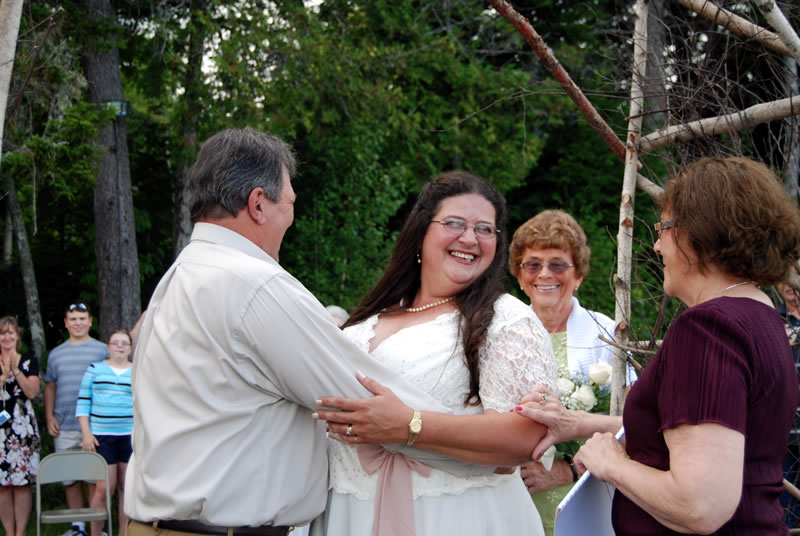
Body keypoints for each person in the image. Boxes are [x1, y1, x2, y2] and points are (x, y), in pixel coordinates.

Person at [124, 127, 455, 536]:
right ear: (259, 204)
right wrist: (485, 444)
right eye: (291, 202)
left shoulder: (181, 274)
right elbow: (359, 399)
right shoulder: (254, 284)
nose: (291, 218)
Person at [515, 156, 800, 534]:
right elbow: (702, 437)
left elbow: (699, 506)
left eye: (663, 228)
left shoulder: (708, 329)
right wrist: (577, 423)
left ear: (696, 232)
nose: (656, 244)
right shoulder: (760, 315)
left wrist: (610, 463)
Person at [312, 171, 557, 536]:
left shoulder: (507, 320)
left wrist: (409, 425)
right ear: (421, 232)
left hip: (456, 517)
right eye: (454, 223)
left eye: (485, 229)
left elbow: (525, 440)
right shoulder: (368, 319)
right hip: (349, 513)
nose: (470, 238)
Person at [508, 209, 633, 535]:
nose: (544, 274)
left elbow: (633, 427)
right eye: (532, 264)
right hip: (510, 497)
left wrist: (568, 471)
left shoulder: (605, 333)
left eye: (558, 264)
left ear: (578, 275)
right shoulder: (500, 333)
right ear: (521, 278)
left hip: (586, 498)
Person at [44, 302, 108, 536]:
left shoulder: (103, 350)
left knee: (93, 477)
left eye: (82, 318)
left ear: (90, 321)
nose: (78, 323)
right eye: (73, 319)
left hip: (95, 425)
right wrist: (49, 415)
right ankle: (77, 527)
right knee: (69, 478)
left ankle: (95, 529)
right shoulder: (56, 353)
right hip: (64, 425)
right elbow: (50, 386)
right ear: (66, 323)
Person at [76, 329, 133, 536]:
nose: (119, 346)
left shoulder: (137, 371)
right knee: (104, 488)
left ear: (130, 348)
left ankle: (123, 533)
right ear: (108, 347)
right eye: (115, 342)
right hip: (101, 436)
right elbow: (83, 402)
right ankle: (96, 533)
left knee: (127, 488)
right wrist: (86, 433)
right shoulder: (94, 369)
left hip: (129, 436)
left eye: (124, 343)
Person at [0, 316, 40, 536]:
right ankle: (8, 532)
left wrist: (15, 371)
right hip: (0, 430)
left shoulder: (28, 361)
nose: (7, 337)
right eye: (3, 333)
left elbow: (32, 392)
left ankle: (21, 532)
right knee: (3, 485)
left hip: (22, 427)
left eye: (10, 333)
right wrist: (2, 376)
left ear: (18, 336)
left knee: (22, 482)